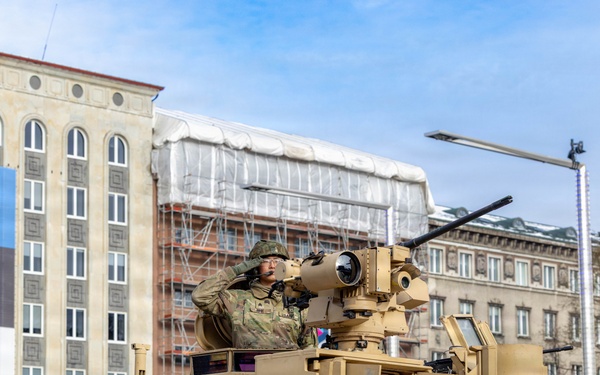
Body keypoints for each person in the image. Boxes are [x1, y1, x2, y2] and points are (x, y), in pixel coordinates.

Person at [192, 240, 316, 349]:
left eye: (277, 261)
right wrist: (235, 271)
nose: (272, 265)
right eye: (265, 261)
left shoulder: (297, 303)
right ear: (255, 267)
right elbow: (200, 296)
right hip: (249, 368)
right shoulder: (236, 300)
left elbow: (309, 346)